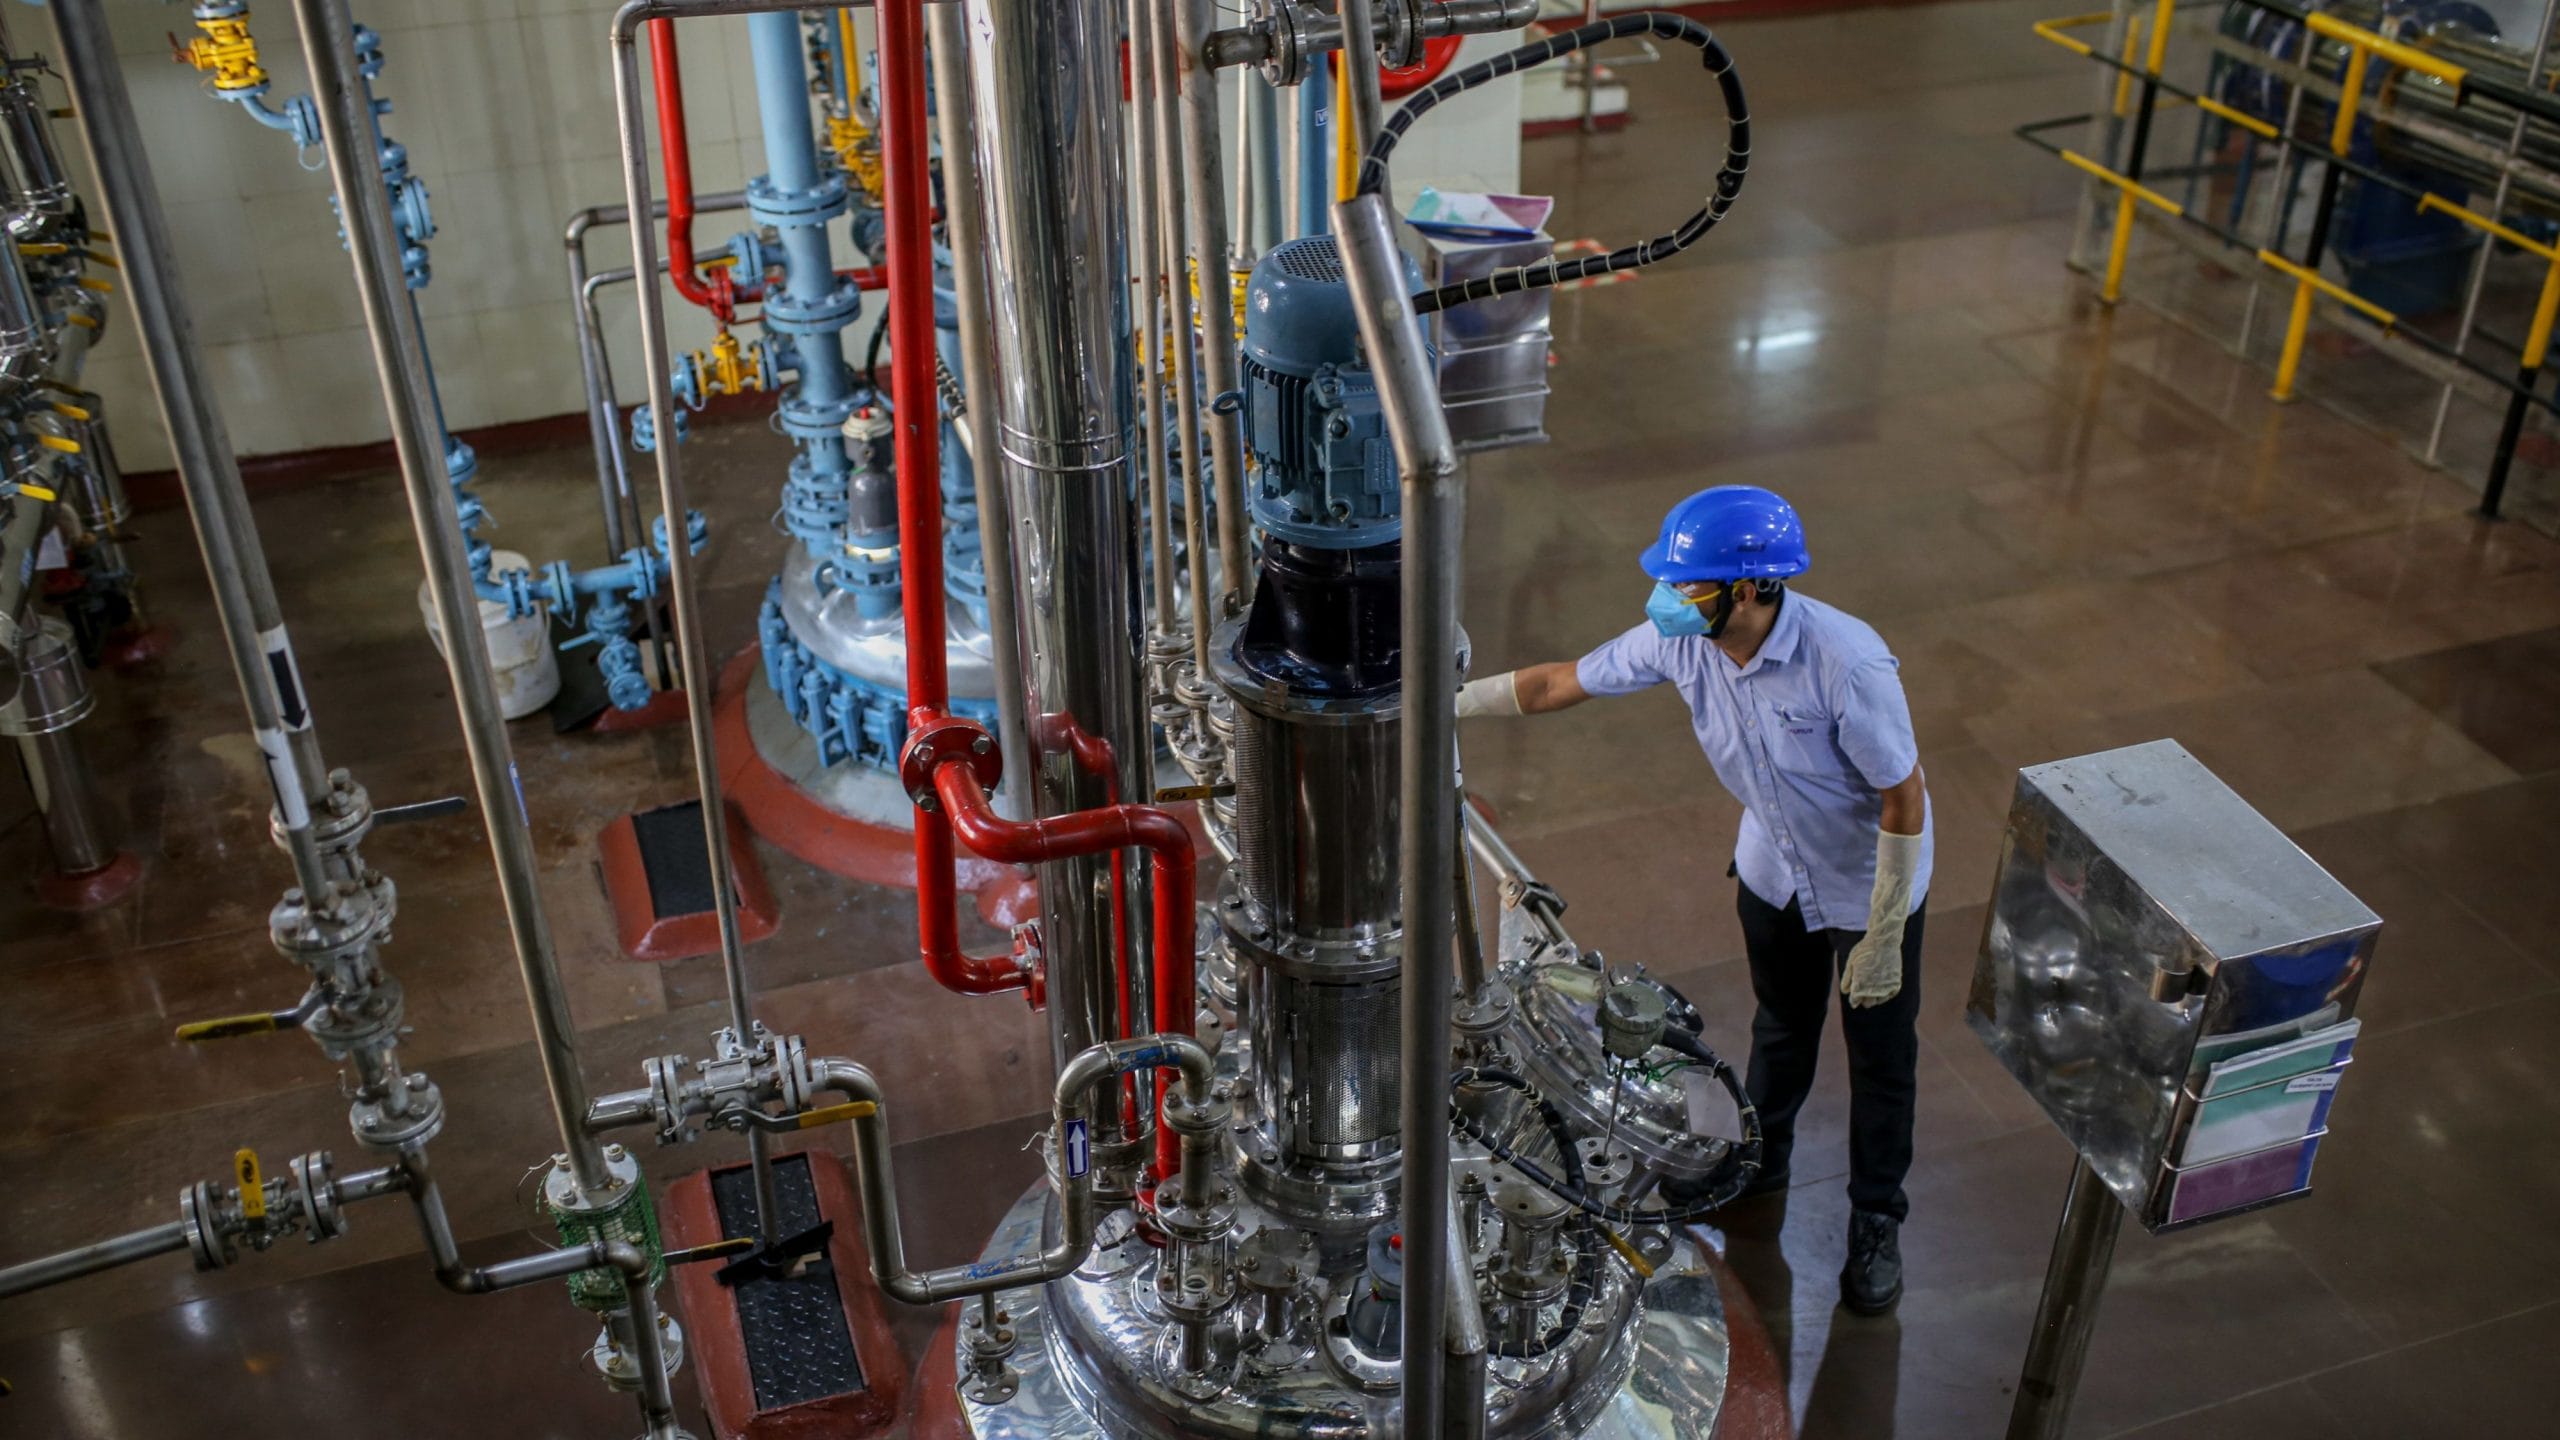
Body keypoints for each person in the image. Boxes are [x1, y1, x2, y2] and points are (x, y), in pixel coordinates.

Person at [1457, 484, 1930, 1316]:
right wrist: (1439, 705)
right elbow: (1559, 683)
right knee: (1781, 1030)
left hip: (1867, 888)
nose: (1667, 601)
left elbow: (1904, 796)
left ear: (1750, 589)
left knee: (1881, 1063)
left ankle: (1876, 1220)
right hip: (1774, 872)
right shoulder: (1686, 643)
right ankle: (1761, 1165)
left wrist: (1885, 930)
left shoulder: (1845, 663)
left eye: (1689, 587)